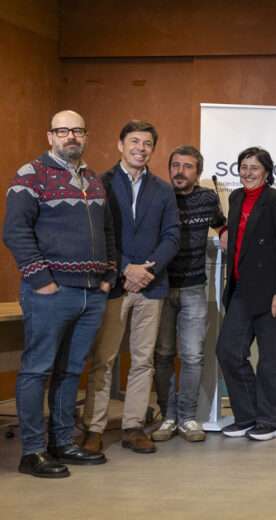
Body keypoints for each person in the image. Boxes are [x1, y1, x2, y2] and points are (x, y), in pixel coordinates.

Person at [4, 110, 115, 477]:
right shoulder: (30, 176)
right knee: (37, 370)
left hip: (91, 293)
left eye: (78, 130)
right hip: (51, 292)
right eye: (63, 130)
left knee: (70, 371)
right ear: (50, 136)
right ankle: (32, 451)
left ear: (86, 136)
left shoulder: (93, 179)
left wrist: (108, 274)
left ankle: (62, 442)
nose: (71, 136)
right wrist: (41, 280)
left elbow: (108, 230)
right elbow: (15, 231)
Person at [82, 120, 180, 455]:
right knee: (104, 358)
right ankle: (93, 428)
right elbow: (97, 233)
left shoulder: (163, 189)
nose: (141, 148)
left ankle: (133, 426)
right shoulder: (100, 183)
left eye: (147, 143)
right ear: (120, 144)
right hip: (114, 284)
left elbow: (172, 236)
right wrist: (125, 267)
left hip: (151, 286)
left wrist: (147, 269)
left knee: (143, 360)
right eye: (135, 141)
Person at [215, 147, 276, 442]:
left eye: (254, 167)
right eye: (244, 167)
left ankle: (274, 420)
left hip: (272, 292)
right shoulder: (236, 197)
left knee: (271, 359)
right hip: (242, 289)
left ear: (266, 172)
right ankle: (248, 415)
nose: (248, 172)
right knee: (228, 351)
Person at [152, 146, 226, 443]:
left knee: (193, 356)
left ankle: (187, 418)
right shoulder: (159, 196)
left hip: (194, 287)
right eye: (175, 165)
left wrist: (225, 234)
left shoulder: (207, 198)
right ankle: (168, 417)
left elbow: (220, 224)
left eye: (187, 166)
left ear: (198, 172)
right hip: (160, 287)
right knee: (163, 355)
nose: (180, 171)